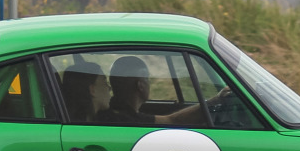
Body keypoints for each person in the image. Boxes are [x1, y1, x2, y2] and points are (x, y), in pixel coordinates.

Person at [95, 55, 225, 125]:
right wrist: (214, 100)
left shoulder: (113, 112)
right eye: (148, 79)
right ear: (140, 85)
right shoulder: (124, 118)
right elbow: (174, 121)